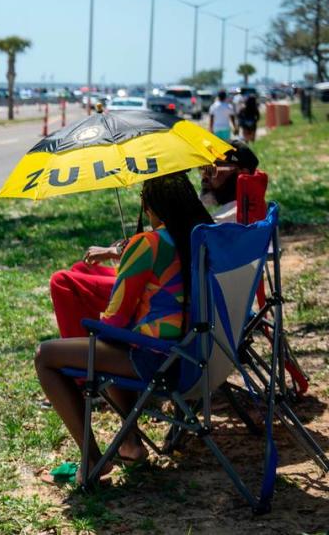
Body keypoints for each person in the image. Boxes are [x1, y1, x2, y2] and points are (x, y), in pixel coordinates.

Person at [35, 173, 214, 482]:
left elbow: (114, 320)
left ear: (151, 208)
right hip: (201, 354)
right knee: (112, 345)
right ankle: (128, 444)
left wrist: (105, 313)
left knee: (46, 356)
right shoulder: (204, 238)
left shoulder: (149, 244)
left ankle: (92, 460)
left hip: (159, 360)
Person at [200, 139, 260, 222]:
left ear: (242, 173)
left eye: (212, 169)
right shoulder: (257, 208)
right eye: (203, 168)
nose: (205, 175)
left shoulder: (221, 223)